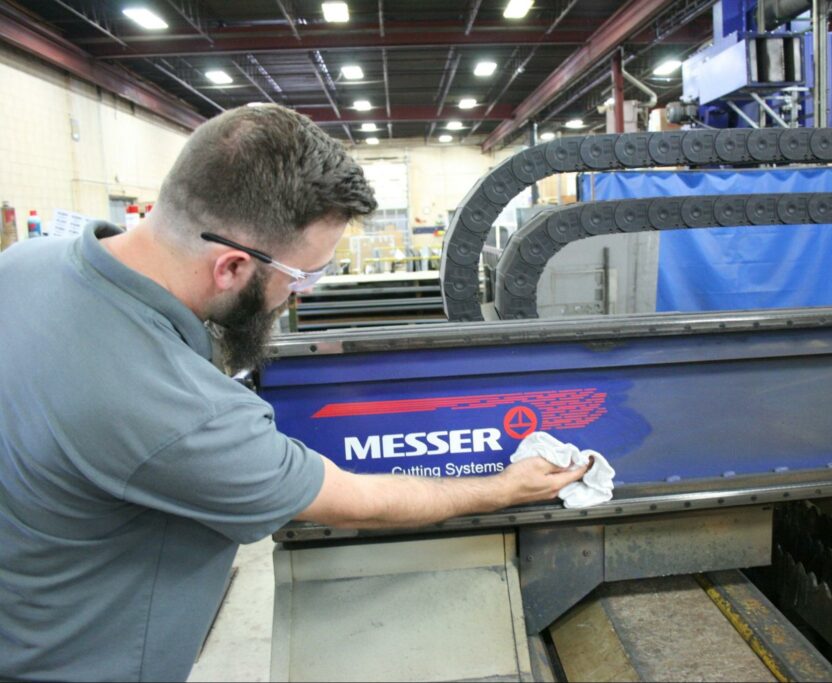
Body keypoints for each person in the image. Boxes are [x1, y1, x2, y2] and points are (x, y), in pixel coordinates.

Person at [0, 104, 586, 682]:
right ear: (231, 268)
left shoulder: (28, 264)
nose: (297, 296)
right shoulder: (177, 412)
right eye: (300, 277)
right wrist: (503, 486)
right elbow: (358, 499)